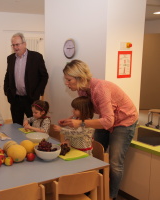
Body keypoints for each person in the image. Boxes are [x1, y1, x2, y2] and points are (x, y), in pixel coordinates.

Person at [59, 59, 138, 199]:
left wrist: (80, 123)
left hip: (124, 121)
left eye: (69, 80)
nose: (66, 83)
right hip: (107, 119)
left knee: (114, 162)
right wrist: (72, 120)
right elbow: (86, 113)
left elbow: (108, 121)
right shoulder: (82, 90)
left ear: (80, 78)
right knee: (96, 155)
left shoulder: (101, 89)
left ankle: (110, 196)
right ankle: (92, 188)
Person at [4, 32, 49, 125]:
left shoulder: (36, 57)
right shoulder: (10, 58)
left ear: (24, 44)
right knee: (16, 125)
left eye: (17, 44)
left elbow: (44, 76)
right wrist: (7, 92)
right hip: (15, 99)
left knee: (32, 125)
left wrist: (37, 93)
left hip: (31, 99)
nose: (15, 47)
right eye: (13, 45)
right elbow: (8, 76)